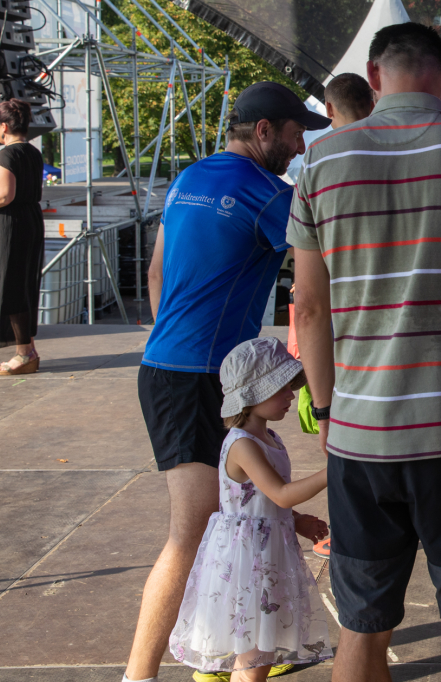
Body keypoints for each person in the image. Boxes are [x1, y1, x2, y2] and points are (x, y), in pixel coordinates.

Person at [289, 22, 441, 682]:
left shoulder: (319, 161)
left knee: (362, 627)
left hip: (361, 437)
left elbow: (307, 305)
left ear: (374, 78)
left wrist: (327, 410)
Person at [124, 82, 330, 682]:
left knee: (233, 516)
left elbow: (157, 274)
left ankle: (238, 652)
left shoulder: (188, 178)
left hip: (168, 366)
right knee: (192, 533)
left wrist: (181, 341)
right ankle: (140, 674)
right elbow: (325, 274)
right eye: (295, 133)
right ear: (263, 131)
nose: (300, 147)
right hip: (201, 379)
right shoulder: (270, 195)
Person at [169, 337, 332, 680]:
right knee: (255, 653)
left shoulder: (270, 438)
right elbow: (281, 494)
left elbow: (263, 501)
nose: (291, 395)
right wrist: (334, 470)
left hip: (267, 555)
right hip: (249, 562)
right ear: (252, 394)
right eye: (280, 388)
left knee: (263, 648)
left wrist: (297, 521)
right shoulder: (243, 444)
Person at [0, 98, 45, 374]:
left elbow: (4, 195)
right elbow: (8, 181)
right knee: (21, 283)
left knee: (11, 285)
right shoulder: (30, 152)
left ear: (3, 126)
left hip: (9, 225)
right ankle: (28, 349)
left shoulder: (9, 155)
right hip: (28, 220)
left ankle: (24, 354)